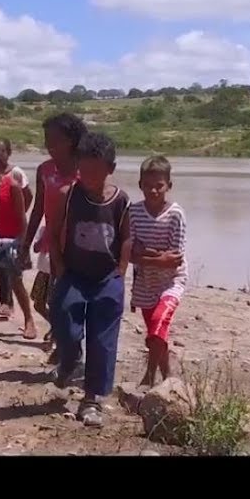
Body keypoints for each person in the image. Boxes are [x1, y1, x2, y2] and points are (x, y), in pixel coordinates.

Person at [45, 131, 131, 428]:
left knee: (103, 339)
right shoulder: (69, 195)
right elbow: (53, 231)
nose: (88, 177)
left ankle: (91, 399)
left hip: (107, 277)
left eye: (95, 171)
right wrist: (58, 265)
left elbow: (127, 237)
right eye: (84, 170)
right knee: (63, 319)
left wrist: (121, 269)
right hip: (74, 274)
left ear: (111, 168)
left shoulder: (121, 201)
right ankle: (69, 360)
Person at [21, 113, 87, 362]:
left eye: (54, 139)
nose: (49, 144)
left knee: (65, 299)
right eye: (46, 139)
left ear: (71, 140)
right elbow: (38, 208)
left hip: (76, 247)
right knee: (40, 299)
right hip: (50, 246)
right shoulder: (44, 169)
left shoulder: (84, 170)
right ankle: (63, 335)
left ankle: (67, 345)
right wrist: (26, 244)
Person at [128, 155, 188, 387]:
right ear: (140, 184)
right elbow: (128, 253)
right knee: (156, 332)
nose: (153, 191)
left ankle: (149, 376)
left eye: (159, 186)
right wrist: (156, 257)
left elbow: (175, 259)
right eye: (148, 186)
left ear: (169, 186)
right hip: (145, 284)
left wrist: (146, 255)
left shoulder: (175, 215)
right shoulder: (133, 212)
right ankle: (169, 379)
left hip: (172, 283)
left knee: (157, 323)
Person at [0, 140, 36, 340]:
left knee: (16, 281)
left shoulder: (13, 185)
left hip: (11, 239)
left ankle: (29, 319)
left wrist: (23, 246)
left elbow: (23, 219)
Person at [0, 137, 31, 319]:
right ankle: (5, 302)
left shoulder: (15, 174)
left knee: (14, 273)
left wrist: (19, 214)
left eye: (2, 151)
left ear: (8, 153)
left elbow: (28, 196)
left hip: (14, 230)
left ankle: (18, 309)